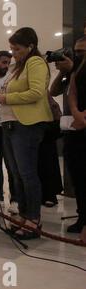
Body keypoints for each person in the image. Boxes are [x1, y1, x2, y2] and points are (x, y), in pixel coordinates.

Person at [0, 27, 54, 240]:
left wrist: (7, 99)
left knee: (28, 173)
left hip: (27, 124)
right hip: (10, 123)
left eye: (17, 48)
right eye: (11, 49)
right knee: (16, 173)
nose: (13, 53)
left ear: (30, 46)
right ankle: (22, 214)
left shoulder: (35, 62)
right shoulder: (17, 67)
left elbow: (37, 92)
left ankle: (34, 219)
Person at [0, 51, 19, 214]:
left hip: (7, 125)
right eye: (3, 62)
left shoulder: (12, 79)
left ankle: (15, 198)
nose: (6, 65)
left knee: (10, 163)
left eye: (8, 62)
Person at [65, 50, 86, 239]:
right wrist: (76, 112)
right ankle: (82, 217)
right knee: (78, 174)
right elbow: (71, 91)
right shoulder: (77, 70)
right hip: (77, 124)